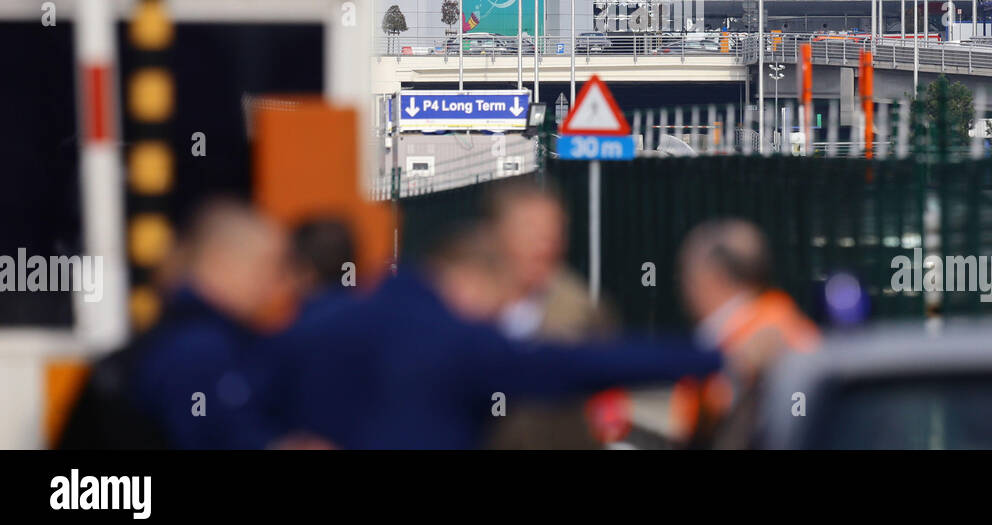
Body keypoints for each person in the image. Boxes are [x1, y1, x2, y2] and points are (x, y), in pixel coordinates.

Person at [265, 216, 724, 449]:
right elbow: (571, 365)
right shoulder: (457, 342)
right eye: (499, 303)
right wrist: (707, 356)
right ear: (470, 279)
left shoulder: (317, 324)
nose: (498, 320)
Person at [127, 199, 289, 449]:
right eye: (266, 265)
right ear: (221, 260)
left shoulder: (191, 336)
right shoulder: (198, 349)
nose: (275, 283)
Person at [481, 179, 621, 448]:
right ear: (495, 233)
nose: (543, 241)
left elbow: (605, 403)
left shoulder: (582, 310)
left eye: (553, 230)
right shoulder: (464, 304)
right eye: (529, 228)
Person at [671, 218, 819, 448]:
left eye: (688, 276)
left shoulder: (743, 340)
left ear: (714, 277)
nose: (684, 289)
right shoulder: (783, 320)